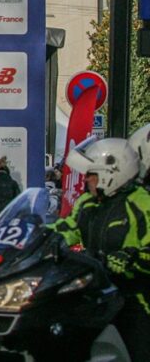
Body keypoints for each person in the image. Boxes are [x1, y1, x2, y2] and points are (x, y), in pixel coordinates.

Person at [55, 138, 150, 360]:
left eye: (92, 174)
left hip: (135, 295)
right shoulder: (88, 202)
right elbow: (67, 228)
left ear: (112, 173)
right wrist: (36, 234)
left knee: (139, 348)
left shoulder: (141, 203)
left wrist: (130, 258)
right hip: (96, 291)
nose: (86, 179)